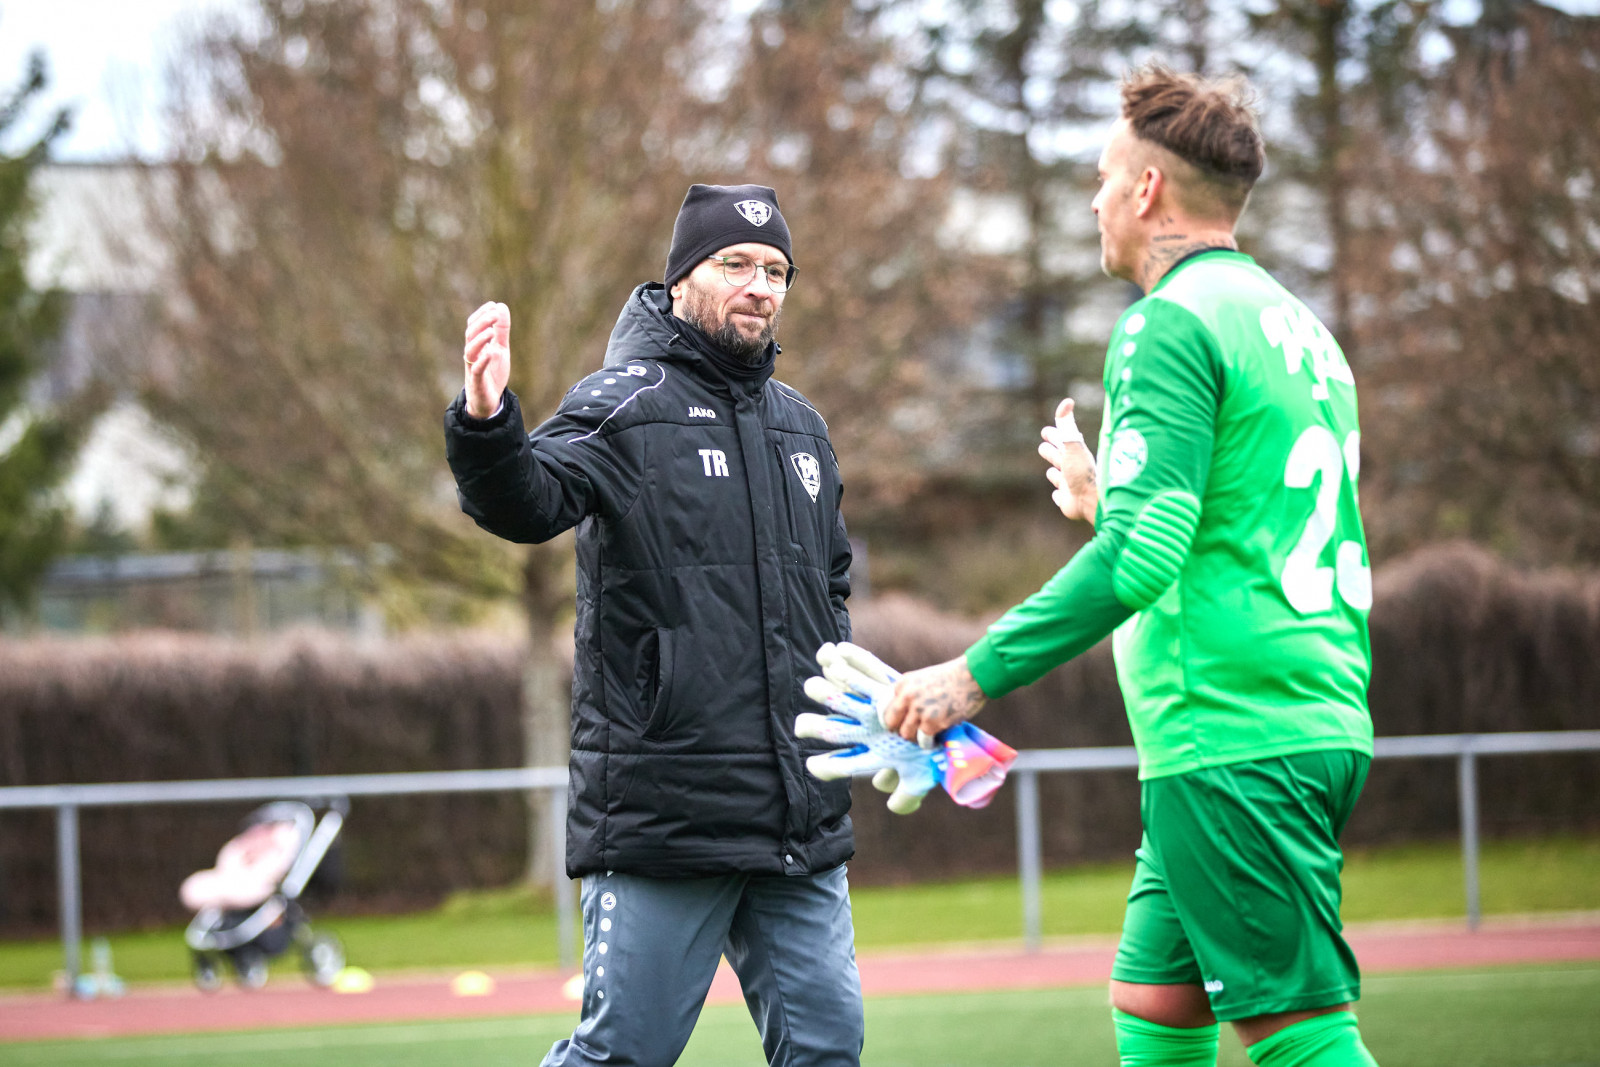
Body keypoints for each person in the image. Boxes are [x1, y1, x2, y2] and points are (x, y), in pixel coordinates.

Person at [883, 64, 1382, 1067]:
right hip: (1298, 710)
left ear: (1148, 190)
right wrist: (1109, 494)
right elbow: (1231, 527)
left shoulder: (1167, 320)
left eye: (1105, 176)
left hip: (1230, 730)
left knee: (1300, 1034)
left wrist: (969, 672)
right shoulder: (1299, 329)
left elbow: (1145, 559)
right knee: (1154, 1001)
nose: (1095, 198)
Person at [444, 184, 862, 1066]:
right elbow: (528, 500)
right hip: (666, 814)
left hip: (799, 823)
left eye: (777, 270)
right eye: (737, 264)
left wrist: (859, 705)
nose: (761, 285)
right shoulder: (624, 403)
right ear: (680, 280)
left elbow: (830, 593)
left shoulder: (804, 432)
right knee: (621, 1055)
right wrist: (487, 422)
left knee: (828, 1052)